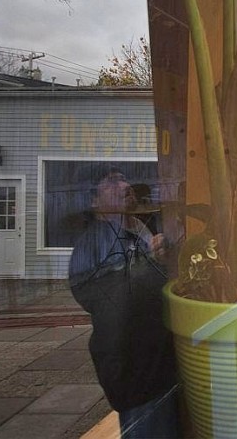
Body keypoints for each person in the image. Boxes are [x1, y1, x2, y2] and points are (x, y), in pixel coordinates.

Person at [68, 168, 180, 438]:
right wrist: (150, 263)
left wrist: (165, 257)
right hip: (136, 372)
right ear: (95, 202)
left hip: (159, 367)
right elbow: (100, 295)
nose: (125, 184)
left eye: (123, 178)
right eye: (111, 182)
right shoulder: (93, 243)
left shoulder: (141, 231)